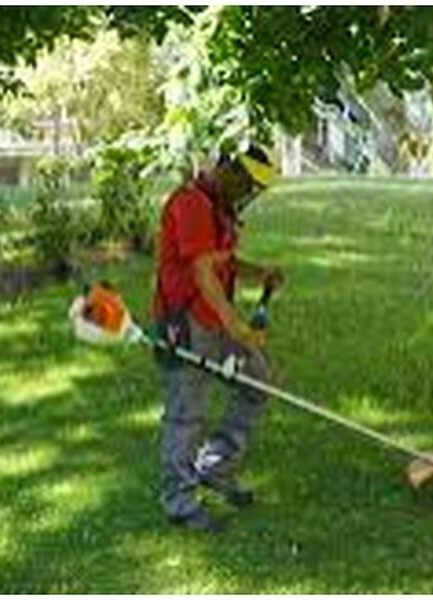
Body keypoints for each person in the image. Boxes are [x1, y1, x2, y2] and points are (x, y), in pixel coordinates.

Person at [151, 144, 282, 534]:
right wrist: (238, 325)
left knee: (256, 381)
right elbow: (204, 271)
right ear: (229, 169)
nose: (247, 194)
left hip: (217, 323)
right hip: (187, 325)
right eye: (246, 184)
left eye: (254, 189)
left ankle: (215, 468)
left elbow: (223, 259)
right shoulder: (191, 203)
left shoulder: (221, 209)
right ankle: (180, 503)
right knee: (186, 413)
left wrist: (261, 272)